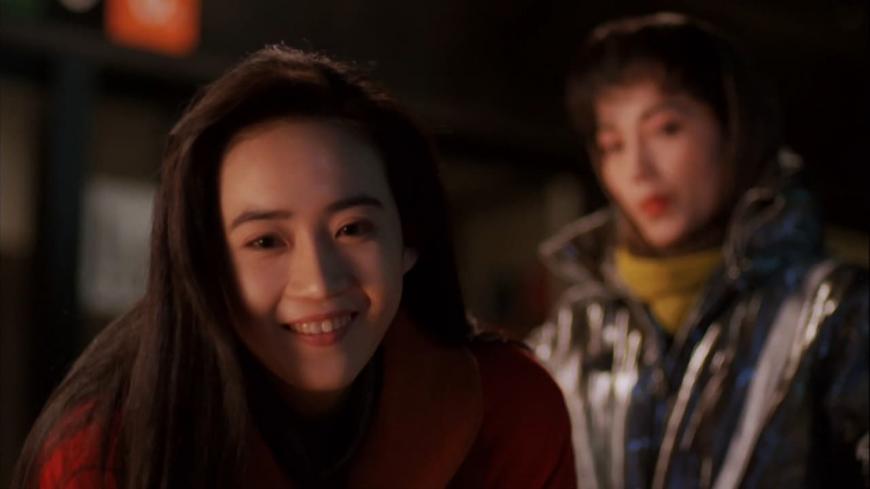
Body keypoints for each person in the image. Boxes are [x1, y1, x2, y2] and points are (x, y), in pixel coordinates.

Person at [13, 46, 576, 489]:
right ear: (206, 266)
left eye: (353, 228)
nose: (319, 281)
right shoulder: (107, 452)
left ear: (409, 236)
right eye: (265, 241)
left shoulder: (509, 411)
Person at [527, 12, 869, 489]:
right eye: (613, 145)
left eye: (667, 129)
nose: (638, 169)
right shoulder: (570, 337)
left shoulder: (835, 313)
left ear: (734, 128)